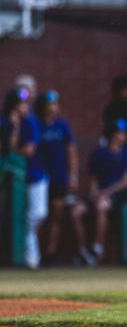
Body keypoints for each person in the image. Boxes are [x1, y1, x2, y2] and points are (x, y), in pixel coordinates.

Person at [35, 90, 95, 267]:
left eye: (55, 104)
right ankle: (35, 253)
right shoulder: (36, 125)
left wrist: (73, 175)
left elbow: (71, 151)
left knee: (56, 215)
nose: (53, 108)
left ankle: (50, 253)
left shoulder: (62, 126)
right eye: (50, 104)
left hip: (59, 178)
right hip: (40, 178)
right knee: (39, 216)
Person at [0, 87, 48, 269]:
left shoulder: (31, 122)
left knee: (38, 214)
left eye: (26, 103)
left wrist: (13, 149)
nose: (24, 107)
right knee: (14, 217)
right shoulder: (5, 123)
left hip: (34, 175)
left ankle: (28, 248)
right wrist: (14, 127)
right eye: (21, 103)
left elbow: (28, 151)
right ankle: (26, 257)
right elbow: (8, 149)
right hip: (10, 180)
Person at [88, 118, 127, 262]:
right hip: (100, 194)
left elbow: (125, 182)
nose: (123, 135)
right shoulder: (99, 153)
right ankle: (84, 251)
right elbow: (93, 179)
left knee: (102, 205)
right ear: (112, 135)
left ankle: (98, 248)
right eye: (120, 133)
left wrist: (105, 192)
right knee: (77, 211)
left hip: (118, 195)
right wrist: (93, 192)